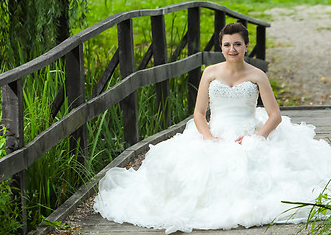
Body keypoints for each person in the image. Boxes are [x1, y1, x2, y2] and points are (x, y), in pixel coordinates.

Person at [93, 23, 331, 234]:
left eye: (237, 44)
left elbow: (275, 115)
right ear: (221, 47)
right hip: (214, 131)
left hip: (247, 131)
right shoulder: (210, 72)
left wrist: (256, 138)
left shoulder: (257, 75)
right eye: (227, 45)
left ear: (246, 46)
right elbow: (198, 113)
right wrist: (207, 137)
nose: (232, 49)